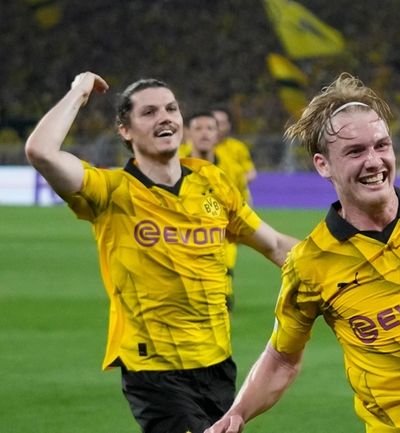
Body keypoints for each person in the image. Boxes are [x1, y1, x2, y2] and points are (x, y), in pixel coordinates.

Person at [205, 73, 400, 433]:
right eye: (355, 151)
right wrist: (237, 414)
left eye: (381, 146)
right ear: (323, 164)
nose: (374, 162)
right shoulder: (310, 263)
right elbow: (281, 358)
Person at [24, 72, 298, 433]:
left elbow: (275, 245)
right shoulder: (111, 192)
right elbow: (41, 151)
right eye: (149, 112)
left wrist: (340, 266)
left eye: (171, 108)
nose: (165, 116)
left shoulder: (212, 182)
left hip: (217, 363)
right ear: (125, 130)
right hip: (154, 371)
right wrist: (79, 91)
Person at [186, 110, 252, 308]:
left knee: (222, 290)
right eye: (198, 128)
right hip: (182, 239)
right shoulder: (173, 164)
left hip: (222, 237)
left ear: (218, 134)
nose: (204, 133)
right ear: (188, 134)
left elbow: (243, 202)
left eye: (210, 128)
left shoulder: (233, 169)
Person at [212, 108, 258, 203]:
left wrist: (233, 184)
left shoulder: (238, 147)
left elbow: (251, 173)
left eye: (221, 123)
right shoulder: (197, 149)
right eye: (214, 123)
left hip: (238, 200)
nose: (217, 127)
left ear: (228, 125)